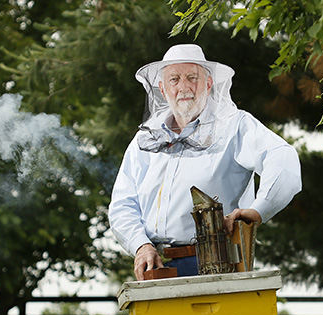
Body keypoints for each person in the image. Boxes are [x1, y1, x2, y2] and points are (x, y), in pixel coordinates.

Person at [109, 44, 301, 280]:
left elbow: (283, 158)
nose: (184, 87)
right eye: (174, 79)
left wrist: (259, 209)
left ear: (209, 84)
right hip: (156, 268)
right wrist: (141, 245)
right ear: (162, 88)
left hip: (219, 262)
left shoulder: (233, 125)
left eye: (192, 77)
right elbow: (122, 204)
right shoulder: (147, 139)